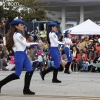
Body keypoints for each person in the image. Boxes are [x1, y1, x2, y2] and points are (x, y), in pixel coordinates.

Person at [0, 18, 43, 95]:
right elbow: (26, 44)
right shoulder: (17, 35)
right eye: (21, 25)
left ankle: (26, 89)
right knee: (17, 74)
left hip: (24, 54)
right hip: (19, 55)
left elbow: (24, 44)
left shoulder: (20, 34)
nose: (23, 26)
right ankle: (0, 84)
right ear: (16, 26)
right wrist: (37, 44)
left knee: (30, 71)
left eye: (23, 25)